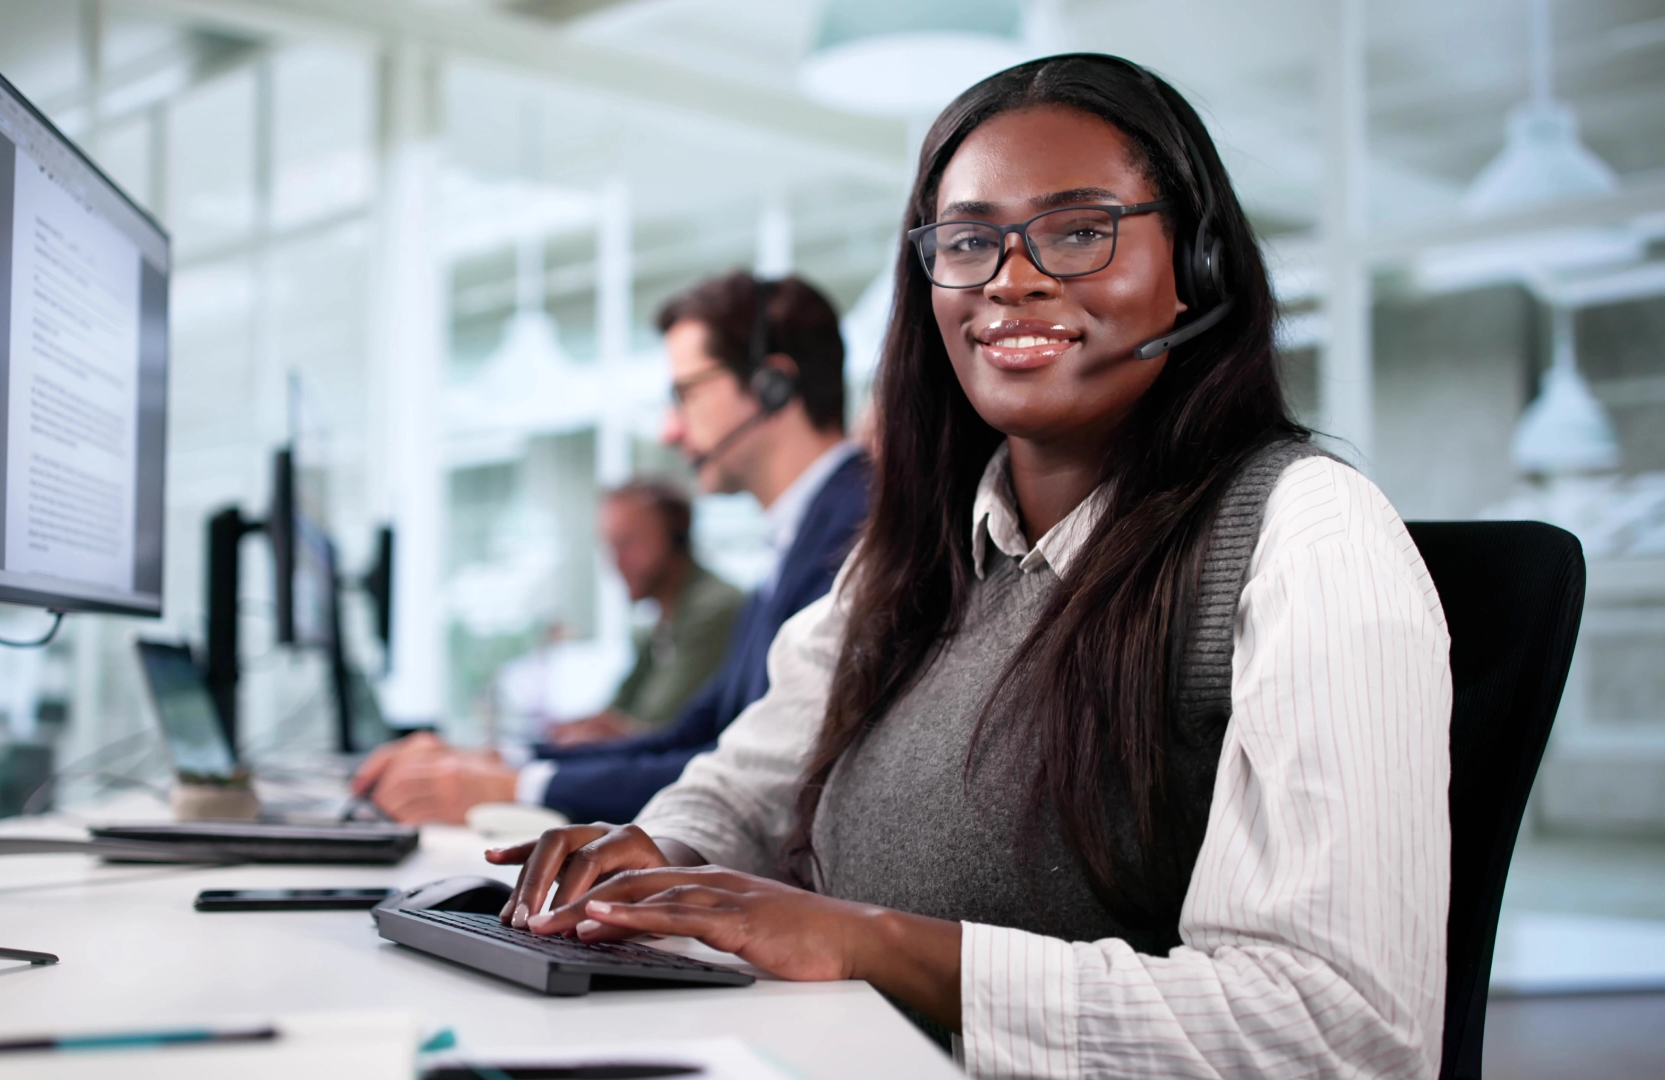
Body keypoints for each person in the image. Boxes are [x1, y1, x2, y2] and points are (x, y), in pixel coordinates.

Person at [490, 55, 1454, 1080]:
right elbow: (750, 783)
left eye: (1079, 230)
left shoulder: (1309, 534)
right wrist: (660, 852)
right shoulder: (917, 547)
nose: (1010, 279)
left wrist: (874, 944)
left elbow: (1344, 1027)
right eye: (967, 241)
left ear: (1197, 267)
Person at [352, 271, 872, 826]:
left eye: (686, 394)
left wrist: (514, 786)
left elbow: (758, 776)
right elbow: (696, 738)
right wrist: (501, 762)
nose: (669, 430)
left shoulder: (862, 531)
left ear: (773, 387)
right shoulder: (799, 540)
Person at [547, 480, 743, 746]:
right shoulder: (662, 623)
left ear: (675, 537)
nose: (616, 562)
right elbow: (620, 712)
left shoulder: (714, 611)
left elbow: (660, 730)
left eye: (628, 543)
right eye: (610, 546)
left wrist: (612, 731)